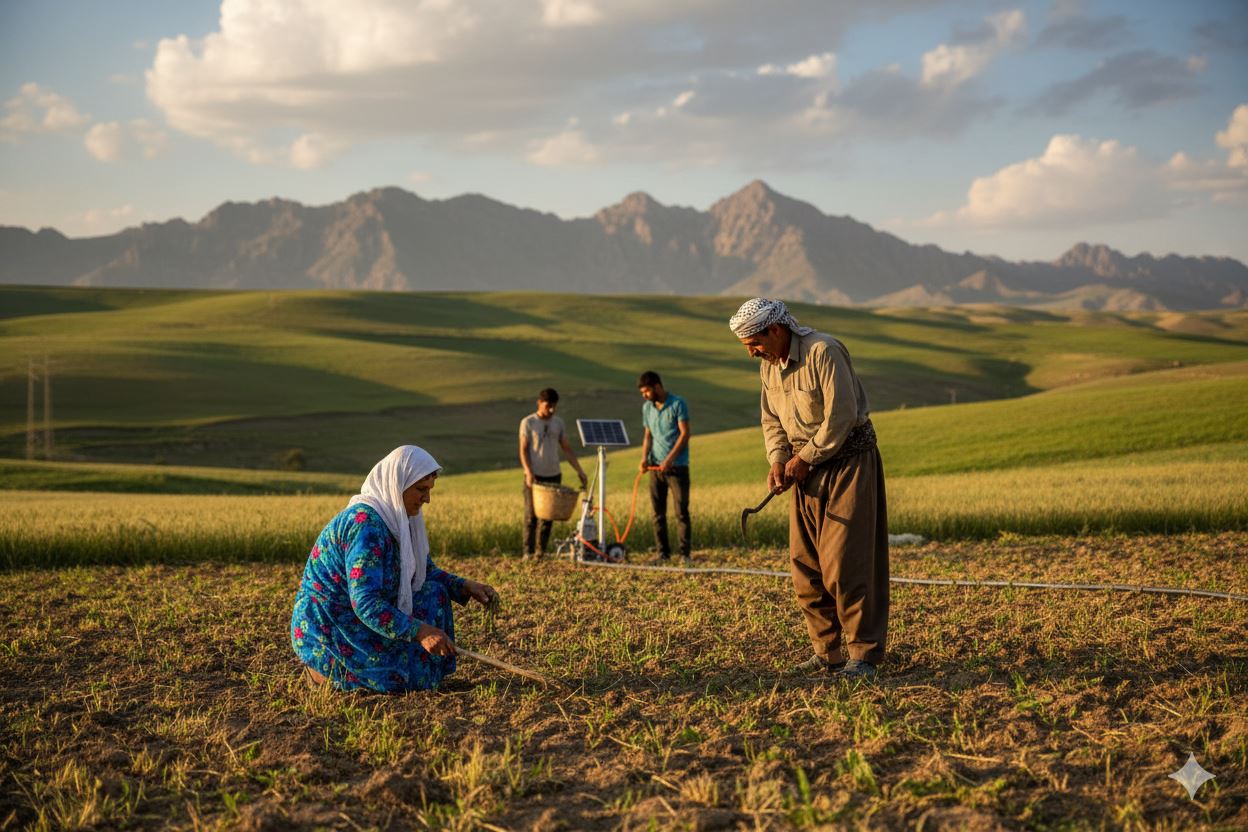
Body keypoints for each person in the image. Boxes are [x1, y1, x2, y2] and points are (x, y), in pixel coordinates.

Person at [729, 298, 888, 680]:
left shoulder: (823, 351)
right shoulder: (770, 368)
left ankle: (863, 654)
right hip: (804, 470)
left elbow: (841, 417)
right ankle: (829, 652)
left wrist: (804, 459)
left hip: (848, 463)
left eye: (754, 344)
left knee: (846, 564)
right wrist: (779, 460)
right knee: (806, 568)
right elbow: (771, 420)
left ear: (776, 330)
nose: (752, 354)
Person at [291, 445, 500, 692]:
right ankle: (323, 673)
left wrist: (465, 586)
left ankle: (415, 672)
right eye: (421, 490)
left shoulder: (401, 520)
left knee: (435, 593)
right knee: (397, 678)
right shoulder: (365, 525)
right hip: (334, 623)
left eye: (429, 490)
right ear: (397, 485)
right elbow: (365, 601)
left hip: (366, 612)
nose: (427, 499)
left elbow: (424, 571)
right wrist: (420, 631)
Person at [519, 388, 588, 557]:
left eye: (554, 406)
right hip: (534, 475)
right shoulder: (528, 422)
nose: (551, 410)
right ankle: (527, 552)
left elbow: (567, 449)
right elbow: (523, 450)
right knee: (531, 516)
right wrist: (528, 471)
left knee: (548, 517)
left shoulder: (558, 423)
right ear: (539, 403)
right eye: (548, 406)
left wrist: (580, 470)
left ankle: (540, 552)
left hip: (553, 474)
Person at [637, 371, 692, 562]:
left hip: (677, 467)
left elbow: (685, 434)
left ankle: (685, 555)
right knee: (658, 514)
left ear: (657, 387)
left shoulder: (678, 404)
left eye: (646, 391)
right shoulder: (647, 408)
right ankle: (663, 554)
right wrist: (644, 458)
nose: (644, 395)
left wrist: (669, 459)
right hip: (655, 468)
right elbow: (647, 435)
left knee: (681, 512)